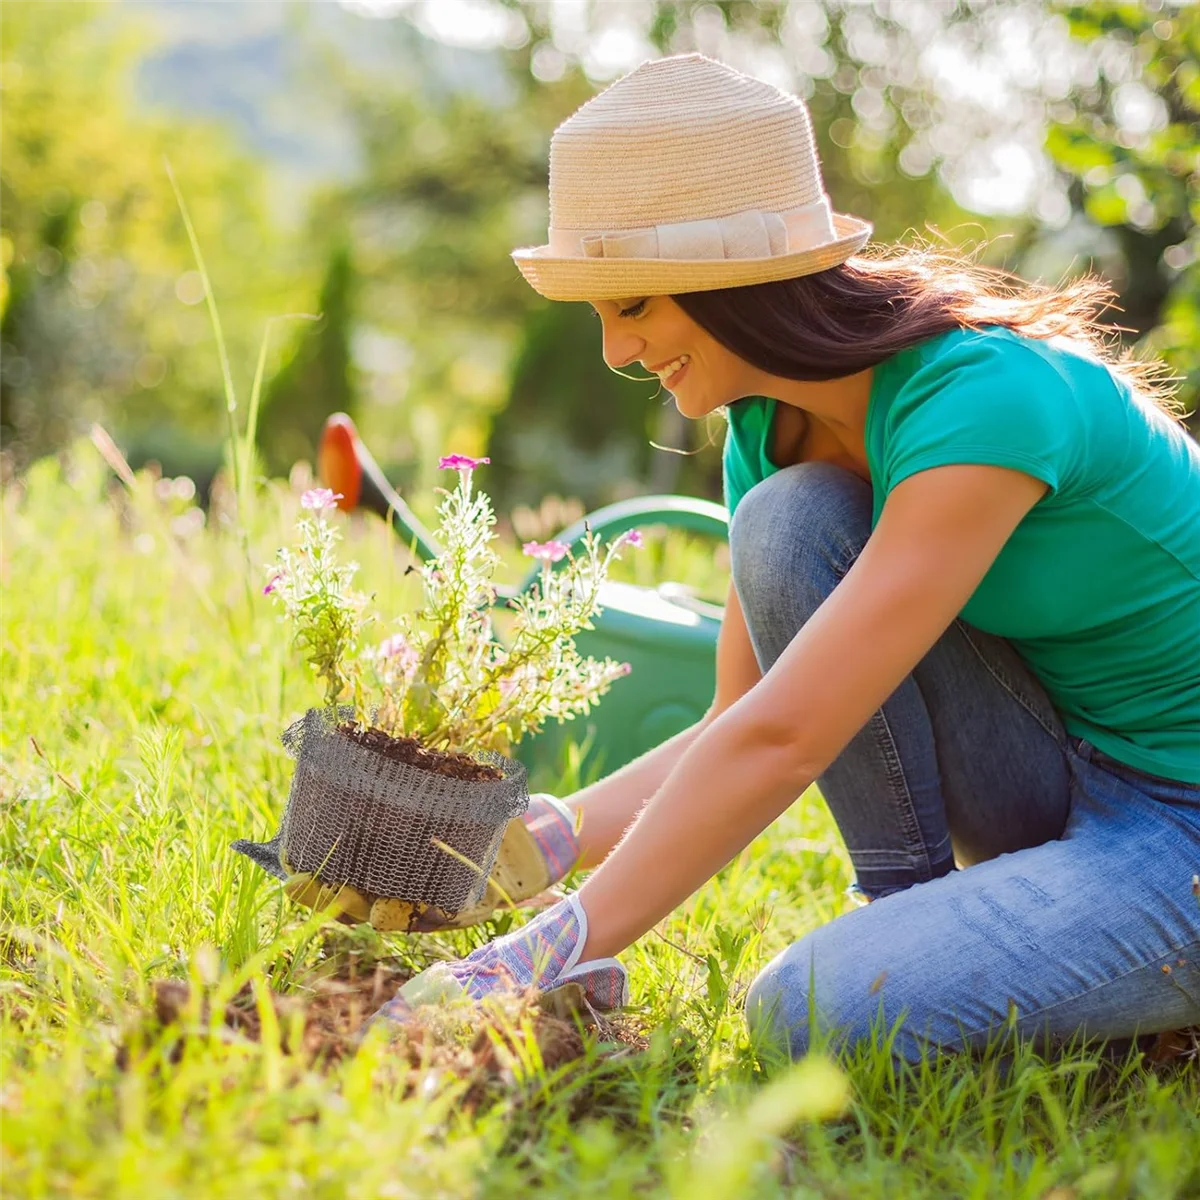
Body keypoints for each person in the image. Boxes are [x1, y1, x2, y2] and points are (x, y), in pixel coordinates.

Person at [374, 53, 1200, 1061]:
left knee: (808, 1013)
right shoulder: (773, 430)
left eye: (633, 306)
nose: (614, 352)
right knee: (788, 518)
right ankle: (925, 922)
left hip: (1186, 830)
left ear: (737, 287)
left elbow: (789, 738)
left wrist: (526, 960)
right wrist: (532, 842)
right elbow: (741, 719)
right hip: (1066, 762)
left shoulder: (985, 400)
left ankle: (1108, 999)